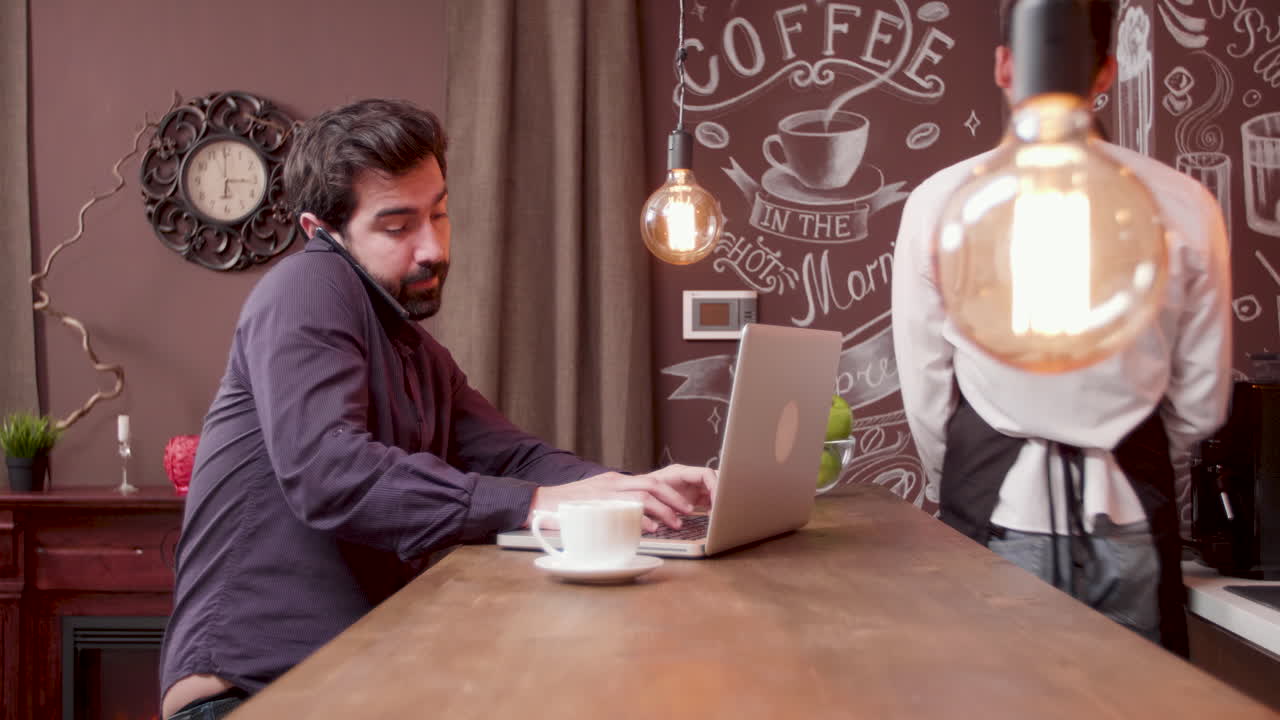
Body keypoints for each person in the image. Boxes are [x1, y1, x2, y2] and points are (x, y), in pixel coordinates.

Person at [159, 99, 716, 719]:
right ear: (324, 233)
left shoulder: (416, 351)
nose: (431, 248)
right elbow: (329, 472)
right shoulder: (307, 286)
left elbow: (516, 455)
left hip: (348, 685)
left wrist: (628, 491)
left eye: (440, 213)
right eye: (398, 227)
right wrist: (539, 506)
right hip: (246, 697)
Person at [891, 0, 1231, 656]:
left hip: (995, 515)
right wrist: (1142, 467)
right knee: (1136, 707)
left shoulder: (942, 200)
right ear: (1106, 71)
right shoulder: (1186, 203)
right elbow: (1199, 404)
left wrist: (957, 482)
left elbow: (927, 397)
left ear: (1003, 66)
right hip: (1131, 518)